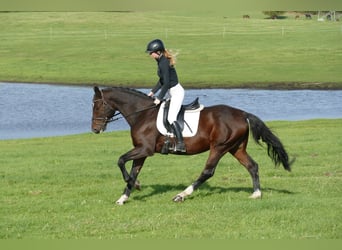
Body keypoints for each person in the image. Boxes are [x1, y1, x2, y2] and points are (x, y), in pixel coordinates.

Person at [146, 39, 186, 152]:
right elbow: (162, 80)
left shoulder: (163, 62)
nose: (150, 55)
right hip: (170, 91)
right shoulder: (160, 60)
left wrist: (159, 98)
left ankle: (181, 144)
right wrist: (153, 92)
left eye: (151, 52)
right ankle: (168, 141)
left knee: (171, 117)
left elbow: (167, 83)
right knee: (162, 114)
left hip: (176, 92)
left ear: (158, 52)